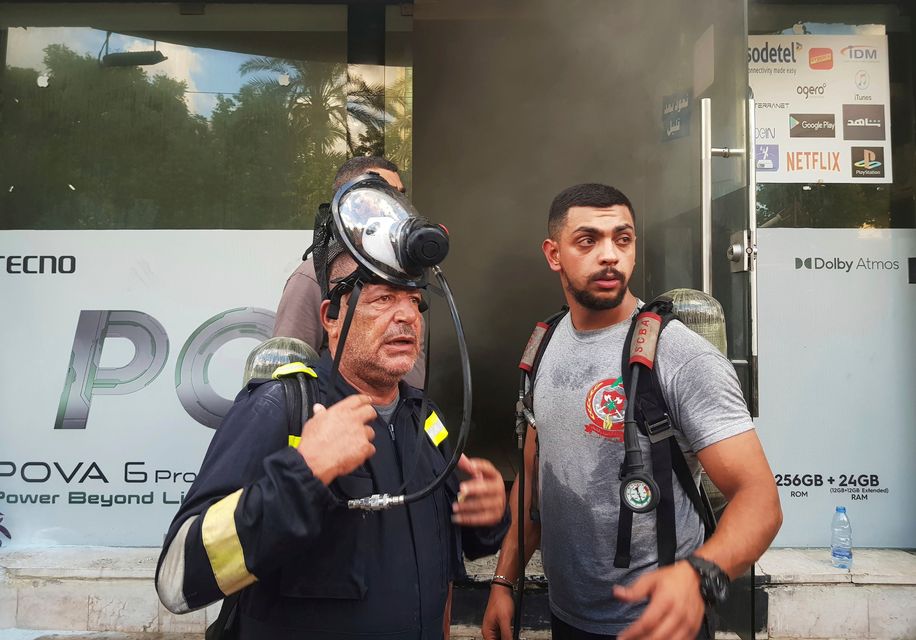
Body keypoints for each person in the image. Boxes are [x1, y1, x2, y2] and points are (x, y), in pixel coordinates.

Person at [156, 218, 508, 639]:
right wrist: (304, 471)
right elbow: (177, 578)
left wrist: (485, 518)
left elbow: (461, 548)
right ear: (331, 317)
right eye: (383, 298)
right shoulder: (280, 407)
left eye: (414, 302)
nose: (407, 317)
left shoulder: (425, 419)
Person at [481, 183, 782, 640]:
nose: (610, 255)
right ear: (553, 253)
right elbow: (534, 477)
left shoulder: (681, 356)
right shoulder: (544, 343)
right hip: (567, 617)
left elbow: (760, 501)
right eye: (588, 240)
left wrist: (698, 576)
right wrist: (505, 580)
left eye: (623, 239)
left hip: (660, 625)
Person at [273, 156, 426, 388]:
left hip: (406, 419)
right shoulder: (313, 277)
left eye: (400, 195)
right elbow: (286, 377)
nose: (396, 204)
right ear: (352, 203)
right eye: (384, 193)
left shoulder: (408, 272)